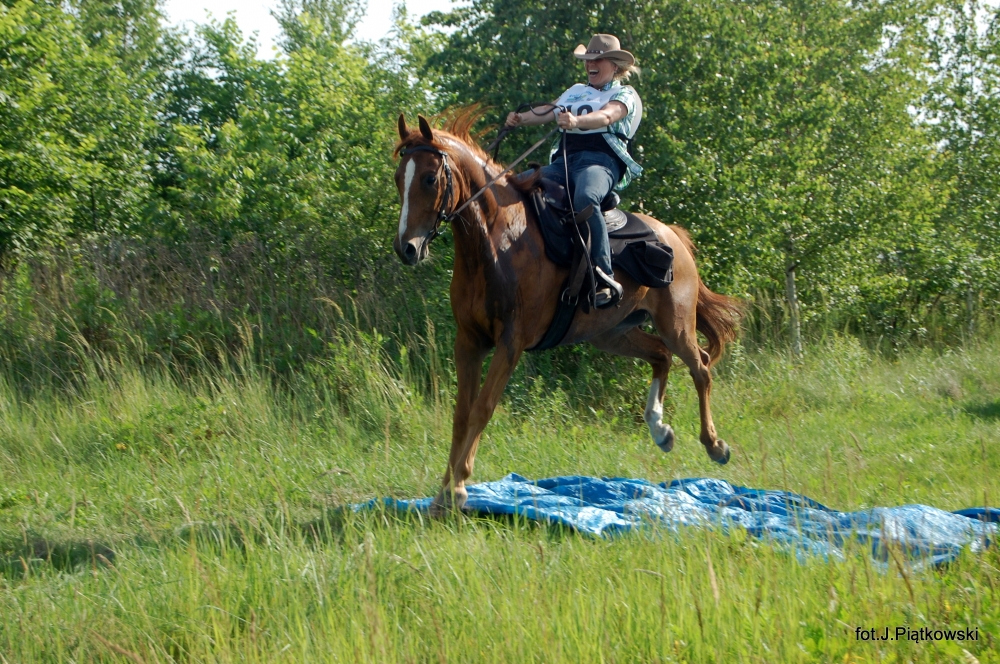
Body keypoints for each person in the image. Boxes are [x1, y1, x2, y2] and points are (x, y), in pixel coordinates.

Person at [505, 33, 643, 308]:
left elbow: (607, 116)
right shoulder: (575, 90)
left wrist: (577, 121)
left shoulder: (624, 94)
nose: (590, 64)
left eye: (597, 60)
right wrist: (520, 119)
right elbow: (547, 111)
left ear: (614, 65)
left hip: (601, 161)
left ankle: (603, 275)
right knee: (515, 186)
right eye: (588, 60)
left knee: (586, 197)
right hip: (564, 162)